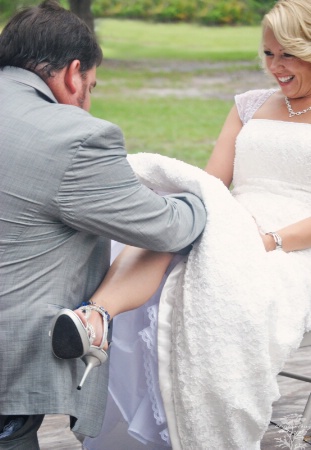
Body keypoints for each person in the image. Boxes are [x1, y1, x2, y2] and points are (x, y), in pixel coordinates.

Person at [77, 0, 311, 448]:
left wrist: (269, 240)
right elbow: (213, 183)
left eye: (287, 55)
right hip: (236, 218)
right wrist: (225, 225)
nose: (274, 68)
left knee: (222, 285)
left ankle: (201, 419)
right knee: (174, 225)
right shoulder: (250, 104)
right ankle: (96, 318)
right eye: (267, 54)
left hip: (295, 242)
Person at [0, 1, 207, 448]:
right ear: (74, 73)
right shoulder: (71, 136)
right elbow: (168, 228)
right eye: (90, 87)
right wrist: (202, 196)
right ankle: (98, 316)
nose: (87, 104)